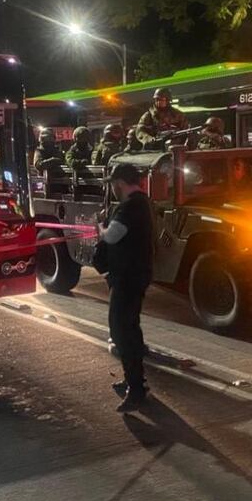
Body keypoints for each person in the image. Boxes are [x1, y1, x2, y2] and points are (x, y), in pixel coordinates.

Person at [99, 163, 153, 413]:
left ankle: (136, 388)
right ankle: (134, 380)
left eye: (113, 184)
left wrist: (99, 229)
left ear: (119, 182)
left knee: (122, 330)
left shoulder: (130, 206)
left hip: (128, 278)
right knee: (129, 328)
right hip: (134, 275)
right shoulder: (141, 203)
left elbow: (112, 236)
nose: (112, 188)